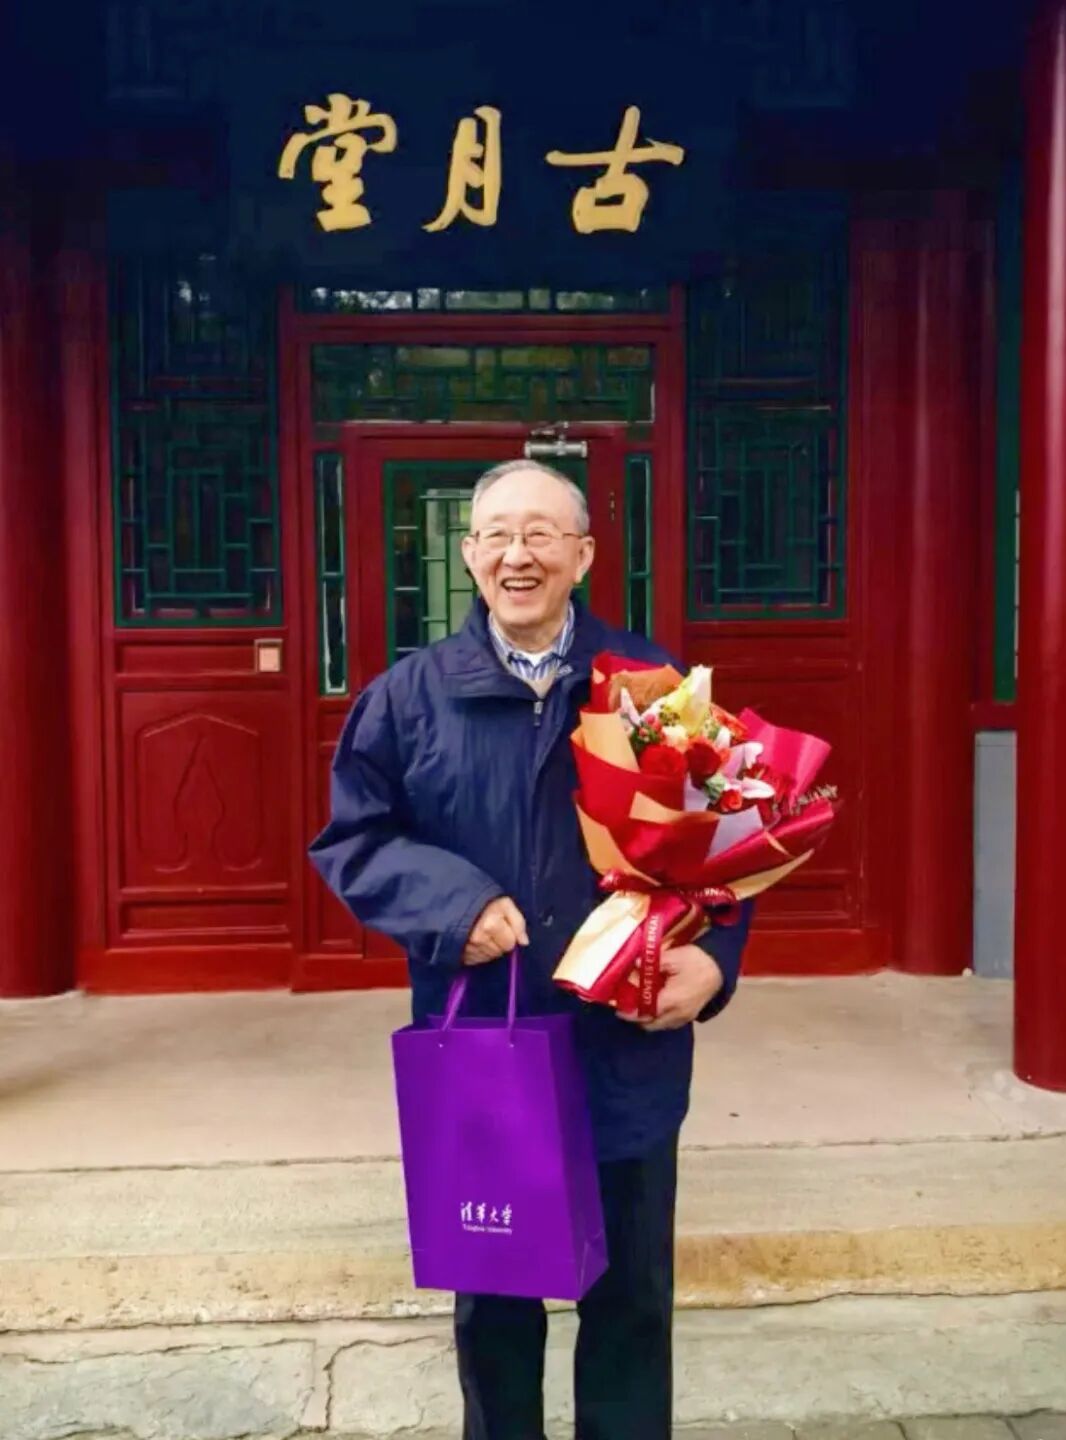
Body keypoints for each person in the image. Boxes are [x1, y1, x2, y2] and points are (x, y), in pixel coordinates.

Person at [310, 458, 752, 1440]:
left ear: (583, 556)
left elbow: (728, 840)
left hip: (624, 1043)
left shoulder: (653, 689)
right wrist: (452, 904)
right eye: (499, 535)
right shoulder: (410, 697)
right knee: (496, 1309)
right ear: (469, 554)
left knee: (631, 1300)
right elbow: (354, 841)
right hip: (486, 1046)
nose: (520, 555)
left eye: (542, 534)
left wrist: (716, 962)